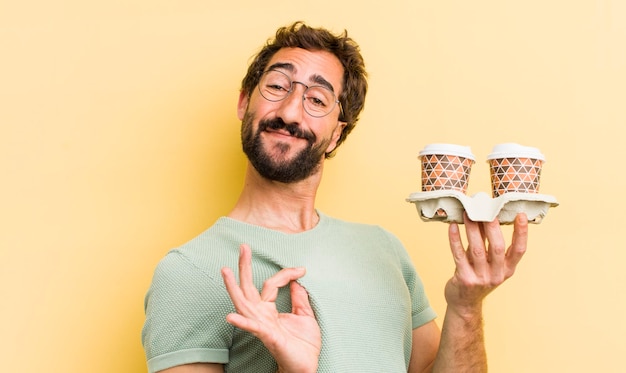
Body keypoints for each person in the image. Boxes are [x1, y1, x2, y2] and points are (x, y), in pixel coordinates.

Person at [142, 21, 529, 373]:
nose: (291, 111)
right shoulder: (189, 272)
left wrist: (465, 308)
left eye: (317, 100)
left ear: (336, 134)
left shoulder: (384, 250)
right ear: (245, 102)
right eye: (277, 86)